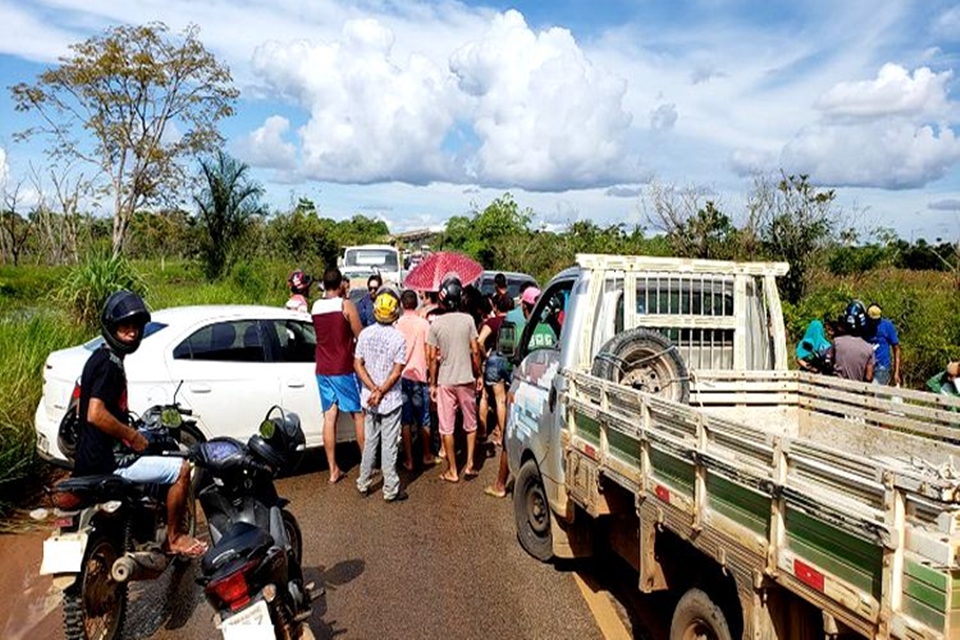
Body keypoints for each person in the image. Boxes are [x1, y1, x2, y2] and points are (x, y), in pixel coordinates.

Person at [74, 290, 207, 557]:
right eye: (125, 326)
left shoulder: (96, 358)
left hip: (87, 461)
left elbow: (79, 406)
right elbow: (95, 413)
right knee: (181, 470)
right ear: (112, 327)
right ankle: (175, 537)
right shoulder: (110, 365)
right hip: (109, 463)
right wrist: (132, 437)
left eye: (136, 327)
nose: (132, 333)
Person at [485, 287, 542, 499]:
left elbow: (505, 351)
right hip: (545, 388)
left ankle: (500, 484)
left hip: (521, 385)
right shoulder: (553, 324)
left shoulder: (514, 319)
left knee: (511, 432)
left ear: (524, 306)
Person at [354, 287, 409, 502]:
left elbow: (357, 364)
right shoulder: (398, 338)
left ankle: (363, 482)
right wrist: (381, 390)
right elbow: (397, 372)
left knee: (370, 442)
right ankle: (390, 489)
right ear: (395, 312)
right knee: (389, 445)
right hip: (390, 399)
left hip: (370, 399)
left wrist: (373, 389)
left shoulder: (365, 334)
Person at [312, 267, 365, 484]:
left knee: (329, 417)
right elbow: (360, 334)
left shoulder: (315, 307)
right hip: (343, 366)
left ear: (324, 285)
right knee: (358, 415)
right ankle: (367, 463)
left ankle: (333, 469)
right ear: (341, 285)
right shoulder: (345, 305)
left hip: (322, 367)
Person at [427, 276, 482, 483]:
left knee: (447, 427)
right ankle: (469, 464)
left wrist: (432, 383)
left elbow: (432, 358)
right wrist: (479, 375)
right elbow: (475, 351)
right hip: (466, 378)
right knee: (470, 423)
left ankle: (452, 470)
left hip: (445, 381)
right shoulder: (468, 320)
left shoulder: (436, 324)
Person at [396, 289, 435, 470]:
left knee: (406, 420)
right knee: (424, 418)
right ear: (415, 304)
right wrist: (431, 375)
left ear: (402, 304)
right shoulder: (424, 324)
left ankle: (409, 459)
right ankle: (427, 455)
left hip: (402, 376)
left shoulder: (396, 325)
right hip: (420, 375)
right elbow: (429, 353)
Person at [477, 294, 512, 446]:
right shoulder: (513, 322)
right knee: (506, 400)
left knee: (493, 398)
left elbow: (479, 341)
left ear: (496, 307)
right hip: (510, 361)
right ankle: (503, 435)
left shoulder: (492, 322)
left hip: (494, 360)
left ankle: (488, 433)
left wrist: (485, 355)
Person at [829, 301, 875, 382]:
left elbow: (830, 363)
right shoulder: (869, 349)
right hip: (855, 391)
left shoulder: (836, 342)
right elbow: (869, 377)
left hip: (835, 389)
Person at [864, 303, 901, 386]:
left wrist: (896, 372)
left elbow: (896, 348)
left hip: (882, 366)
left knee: (877, 391)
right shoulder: (864, 326)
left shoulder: (887, 326)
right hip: (867, 366)